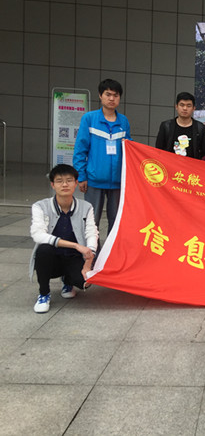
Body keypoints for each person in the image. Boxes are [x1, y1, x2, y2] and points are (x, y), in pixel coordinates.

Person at [29, 164, 99, 313]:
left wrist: (88, 262)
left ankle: (68, 281)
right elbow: (37, 234)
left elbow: (92, 233)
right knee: (43, 250)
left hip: (74, 257)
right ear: (52, 185)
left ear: (76, 183)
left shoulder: (86, 207)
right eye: (59, 181)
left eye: (69, 180)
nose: (65, 184)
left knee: (85, 282)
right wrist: (75, 245)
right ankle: (44, 294)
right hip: (52, 258)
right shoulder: (40, 206)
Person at [73, 78, 131, 236]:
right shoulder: (89, 119)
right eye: (108, 94)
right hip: (94, 180)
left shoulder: (123, 121)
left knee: (116, 221)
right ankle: (93, 250)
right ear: (100, 95)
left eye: (115, 95)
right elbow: (80, 150)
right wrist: (81, 176)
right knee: (92, 221)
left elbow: (130, 150)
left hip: (118, 182)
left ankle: (111, 251)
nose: (112, 98)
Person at [155, 91, 205, 159]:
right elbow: (158, 151)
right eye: (182, 105)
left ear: (193, 108)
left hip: (191, 165)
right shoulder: (166, 126)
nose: (185, 108)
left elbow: (204, 154)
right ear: (176, 107)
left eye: (188, 106)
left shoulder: (200, 128)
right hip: (170, 164)